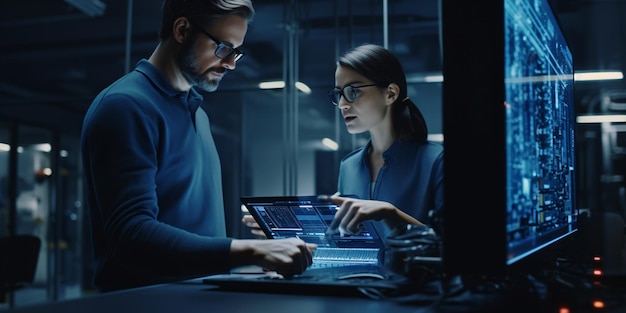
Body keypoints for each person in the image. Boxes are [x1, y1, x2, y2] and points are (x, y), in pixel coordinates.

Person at [81, 0, 316, 292]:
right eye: (223, 48)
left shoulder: (198, 114)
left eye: (236, 52)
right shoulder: (125, 106)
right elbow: (130, 236)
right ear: (181, 30)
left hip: (196, 297)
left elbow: (194, 230)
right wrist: (249, 251)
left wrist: (257, 257)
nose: (230, 63)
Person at [242, 44, 444, 239]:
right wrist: (286, 232)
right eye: (339, 94)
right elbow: (345, 238)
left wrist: (391, 214)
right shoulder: (349, 166)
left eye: (353, 91)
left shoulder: (436, 162)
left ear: (390, 93)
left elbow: (451, 248)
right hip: (356, 275)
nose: (341, 104)